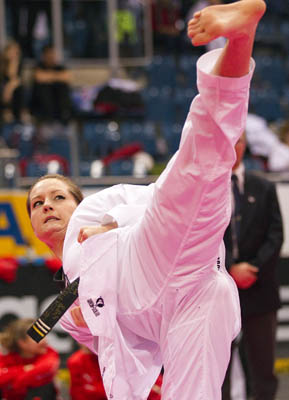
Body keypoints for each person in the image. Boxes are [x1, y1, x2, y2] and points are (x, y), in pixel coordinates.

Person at [27, 1, 266, 399]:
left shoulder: (96, 209)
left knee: (200, 162)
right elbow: (128, 356)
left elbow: (152, 199)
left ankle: (241, 36)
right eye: (37, 203)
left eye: (57, 196)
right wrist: (88, 321)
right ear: (33, 227)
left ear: (78, 201)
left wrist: (110, 225)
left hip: (151, 256)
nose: (47, 205)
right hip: (186, 311)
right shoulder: (67, 315)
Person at [221, 133, 283, 400]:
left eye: (237, 141)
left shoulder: (264, 187)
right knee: (216, 370)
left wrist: (252, 268)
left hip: (259, 290)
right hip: (219, 290)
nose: (232, 147)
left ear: (244, 145)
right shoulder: (207, 189)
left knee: (262, 370)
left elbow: (275, 235)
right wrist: (231, 268)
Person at [0, 318, 60, 400]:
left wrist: (14, 383)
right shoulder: (7, 356)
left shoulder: (49, 352)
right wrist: (24, 369)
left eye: (44, 336)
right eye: (39, 337)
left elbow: (46, 369)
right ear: (22, 343)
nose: (45, 341)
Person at [30, 45, 72, 123]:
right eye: (48, 54)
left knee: (62, 87)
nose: (51, 56)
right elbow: (39, 77)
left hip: (58, 101)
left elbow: (67, 77)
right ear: (44, 55)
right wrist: (57, 77)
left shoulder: (60, 67)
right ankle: (48, 117)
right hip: (42, 104)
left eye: (52, 54)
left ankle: (64, 114)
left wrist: (48, 77)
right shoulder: (39, 66)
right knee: (44, 88)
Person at [0, 40, 26, 122]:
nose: (14, 53)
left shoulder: (18, 63)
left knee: (19, 88)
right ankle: (6, 111)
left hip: (10, 90)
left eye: (16, 51)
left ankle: (17, 114)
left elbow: (16, 79)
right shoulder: (1, 62)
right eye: (12, 50)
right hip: (2, 88)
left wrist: (13, 62)